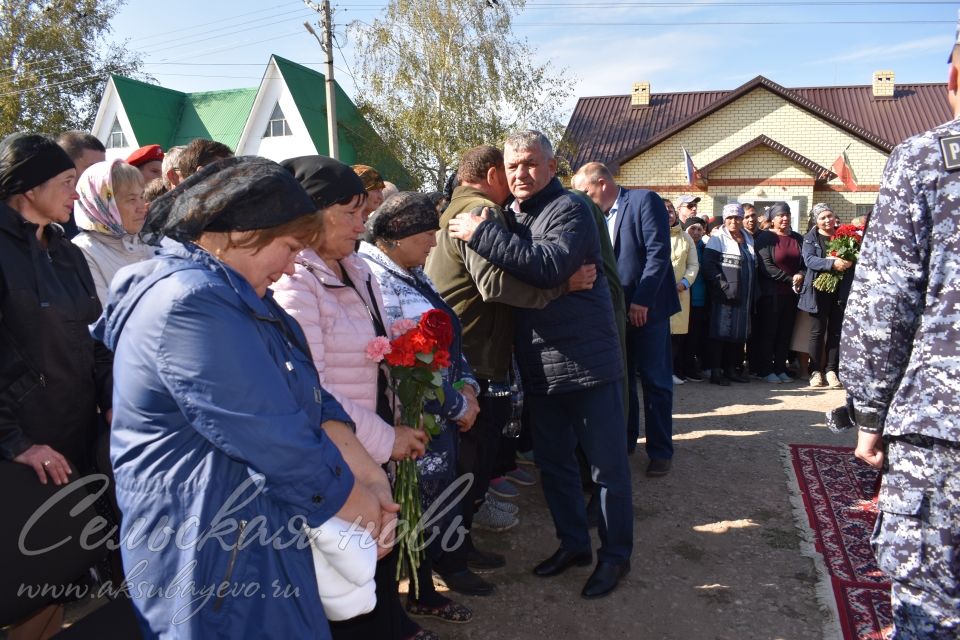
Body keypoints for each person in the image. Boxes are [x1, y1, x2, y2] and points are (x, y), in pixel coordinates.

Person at [93, 156, 397, 639]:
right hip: (208, 546)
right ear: (242, 234)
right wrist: (359, 506)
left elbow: (314, 402)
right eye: (291, 247)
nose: (296, 262)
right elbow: (276, 438)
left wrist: (370, 479)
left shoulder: (249, 302)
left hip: (257, 535)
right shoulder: (190, 305)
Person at [449, 132, 632, 599]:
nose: (520, 174)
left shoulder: (570, 209)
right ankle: (574, 545)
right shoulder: (509, 215)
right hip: (540, 366)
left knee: (606, 471)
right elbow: (513, 278)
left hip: (587, 362)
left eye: (530, 164)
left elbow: (548, 265)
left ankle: (615, 557)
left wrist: (482, 233)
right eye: (512, 167)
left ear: (553, 167)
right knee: (554, 465)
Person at [272, 156, 435, 640]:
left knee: (376, 552)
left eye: (362, 212)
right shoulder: (293, 280)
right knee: (344, 570)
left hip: (370, 438)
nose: (362, 225)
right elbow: (314, 389)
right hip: (336, 449)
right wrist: (386, 438)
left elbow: (376, 352)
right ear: (310, 213)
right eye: (350, 213)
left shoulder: (357, 267)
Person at [840, 24, 960, 637]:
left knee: (932, 612)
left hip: (944, 433)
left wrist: (870, 415)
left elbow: (882, 306)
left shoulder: (926, 161)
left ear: (953, 80)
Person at [425, 145, 596, 572]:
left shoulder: (457, 208)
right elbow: (494, 286)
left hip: (461, 348)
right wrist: (562, 287)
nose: (517, 177)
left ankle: (457, 549)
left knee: (469, 462)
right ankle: (452, 559)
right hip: (475, 353)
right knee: (472, 461)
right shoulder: (482, 211)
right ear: (491, 173)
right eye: (509, 168)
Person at [0, 133, 113, 637]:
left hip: (71, 440)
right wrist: (15, 442)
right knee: (22, 583)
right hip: (21, 454)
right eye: (67, 182)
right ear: (28, 186)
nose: (76, 192)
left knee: (60, 578)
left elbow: (95, 337)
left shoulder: (64, 251)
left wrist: (113, 401)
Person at [359, 192, 482, 621]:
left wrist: (468, 388)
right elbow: (402, 364)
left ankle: (423, 588)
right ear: (398, 236)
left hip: (437, 417)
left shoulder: (410, 272)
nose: (433, 242)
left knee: (427, 509)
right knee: (410, 510)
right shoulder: (378, 280)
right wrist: (453, 405)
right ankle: (406, 600)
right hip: (410, 421)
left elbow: (446, 340)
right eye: (427, 233)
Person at [571, 161, 678, 477]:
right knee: (622, 379)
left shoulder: (644, 200)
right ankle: (627, 441)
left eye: (586, 192)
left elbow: (658, 254)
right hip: (614, 312)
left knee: (656, 382)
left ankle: (660, 451)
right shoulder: (596, 216)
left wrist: (641, 301)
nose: (584, 200)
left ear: (602, 184)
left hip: (650, 310)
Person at [71, 159, 156, 303]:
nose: (142, 207)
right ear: (102, 204)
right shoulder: (81, 252)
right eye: (131, 199)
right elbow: (103, 318)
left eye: (142, 196)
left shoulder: (151, 243)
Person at [701, 203, 757, 386]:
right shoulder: (717, 238)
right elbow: (708, 266)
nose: (734, 221)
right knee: (720, 333)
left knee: (738, 334)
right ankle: (716, 371)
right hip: (723, 295)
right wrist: (723, 286)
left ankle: (732, 369)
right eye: (730, 218)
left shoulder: (748, 238)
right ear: (725, 219)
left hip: (744, 295)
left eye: (738, 217)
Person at [798, 203, 852, 388]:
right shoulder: (810, 238)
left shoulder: (845, 235)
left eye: (829, 216)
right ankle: (815, 371)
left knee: (836, 331)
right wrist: (831, 263)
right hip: (818, 290)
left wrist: (848, 262)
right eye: (822, 218)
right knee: (817, 331)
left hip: (840, 290)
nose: (827, 220)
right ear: (816, 220)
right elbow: (810, 260)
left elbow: (853, 255)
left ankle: (831, 370)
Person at [753, 202, 803, 384]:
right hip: (771, 294)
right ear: (772, 219)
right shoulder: (765, 238)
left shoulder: (798, 238)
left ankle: (780, 368)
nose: (785, 218)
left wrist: (801, 274)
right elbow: (766, 266)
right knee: (769, 332)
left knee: (785, 333)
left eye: (787, 214)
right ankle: (765, 370)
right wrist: (790, 279)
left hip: (792, 296)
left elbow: (805, 263)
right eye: (781, 215)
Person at [667, 197, 699, 385]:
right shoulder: (650, 232)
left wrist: (685, 282)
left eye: (671, 210)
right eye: (665, 210)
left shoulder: (685, 237)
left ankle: (671, 370)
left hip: (680, 292)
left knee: (676, 335)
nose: (669, 214)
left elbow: (693, 264)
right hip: (656, 293)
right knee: (658, 334)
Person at [56, 131, 106, 238]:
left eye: (103, 167)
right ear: (66, 167)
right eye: (92, 167)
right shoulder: (51, 216)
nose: (101, 174)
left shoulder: (107, 209)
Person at [681, 216, 709, 380]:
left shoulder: (706, 249)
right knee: (681, 337)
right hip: (683, 297)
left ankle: (690, 367)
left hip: (699, 299)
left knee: (694, 336)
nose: (696, 232)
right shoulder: (683, 246)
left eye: (699, 229)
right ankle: (681, 367)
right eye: (693, 229)